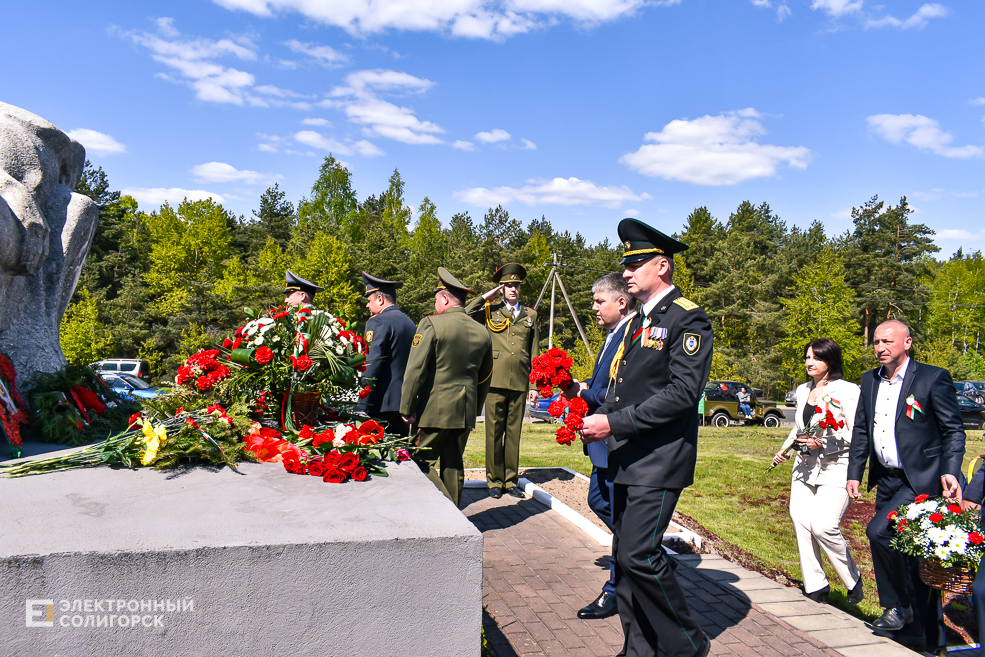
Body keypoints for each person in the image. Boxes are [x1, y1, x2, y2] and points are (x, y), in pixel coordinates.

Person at [580, 218, 713, 657]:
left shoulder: (687, 317)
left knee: (639, 554)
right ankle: (638, 649)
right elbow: (626, 388)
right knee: (625, 557)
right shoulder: (639, 319)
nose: (627, 272)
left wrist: (614, 424)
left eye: (635, 264)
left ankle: (688, 644)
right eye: (626, 264)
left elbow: (682, 394)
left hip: (659, 458)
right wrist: (596, 417)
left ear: (662, 266)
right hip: (627, 456)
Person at [847, 319, 965, 652]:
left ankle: (898, 607)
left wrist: (950, 471)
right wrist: (855, 472)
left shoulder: (932, 378)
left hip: (920, 480)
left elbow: (953, 430)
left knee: (877, 532)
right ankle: (922, 636)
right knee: (908, 555)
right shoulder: (869, 380)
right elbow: (862, 430)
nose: (880, 347)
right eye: (876, 342)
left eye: (887, 341)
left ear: (907, 343)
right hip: (886, 479)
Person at [563, 272, 636, 620]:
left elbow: (619, 391)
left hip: (615, 436)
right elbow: (605, 380)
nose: (593, 307)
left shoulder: (632, 334)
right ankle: (643, 555)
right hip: (603, 440)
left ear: (621, 303)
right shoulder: (613, 334)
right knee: (599, 500)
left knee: (620, 516)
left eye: (599, 301)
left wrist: (585, 393)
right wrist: (580, 386)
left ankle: (618, 587)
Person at [772, 338, 863, 606]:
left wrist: (822, 442)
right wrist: (786, 449)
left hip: (837, 466)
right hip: (804, 466)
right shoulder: (803, 390)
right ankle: (816, 584)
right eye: (807, 357)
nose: (809, 363)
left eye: (817, 358)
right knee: (800, 521)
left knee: (823, 525)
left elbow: (857, 433)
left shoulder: (847, 390)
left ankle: (852, 578)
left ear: (831, 361)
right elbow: (799, 427)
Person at [400, 267, 494, 507]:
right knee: (453, 465)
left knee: (421, 461)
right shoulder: (482, 332)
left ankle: (445, 509)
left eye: (436, 299)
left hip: (434, 409)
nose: (435, 304)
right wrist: (474, 410)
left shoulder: (431, 324)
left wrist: (407, 407)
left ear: (444, 298)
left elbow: (415, 370)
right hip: (464, 411)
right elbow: (485, 377)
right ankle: (454, 517)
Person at [465, 263, 540, 500]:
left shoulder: (530, 315)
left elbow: (534, 352)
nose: (513, 289)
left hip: (520, 381)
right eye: (508, 286)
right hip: (494, 381)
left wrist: (534, 385)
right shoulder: (491, 311)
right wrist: (485, 297)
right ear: (501, 289)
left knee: (513, 434)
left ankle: (510, 480)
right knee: (494, 433)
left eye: (516, 285)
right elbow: (465, 314)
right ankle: (494, 480)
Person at [356, 272, 417, 437]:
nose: (367, 306)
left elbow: (372, 364)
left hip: (380, 403)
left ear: (380, 299)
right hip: (402, 403)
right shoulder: (410, 323)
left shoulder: (377, 321)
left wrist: (363, 402)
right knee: (401, 450)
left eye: (369, 300)